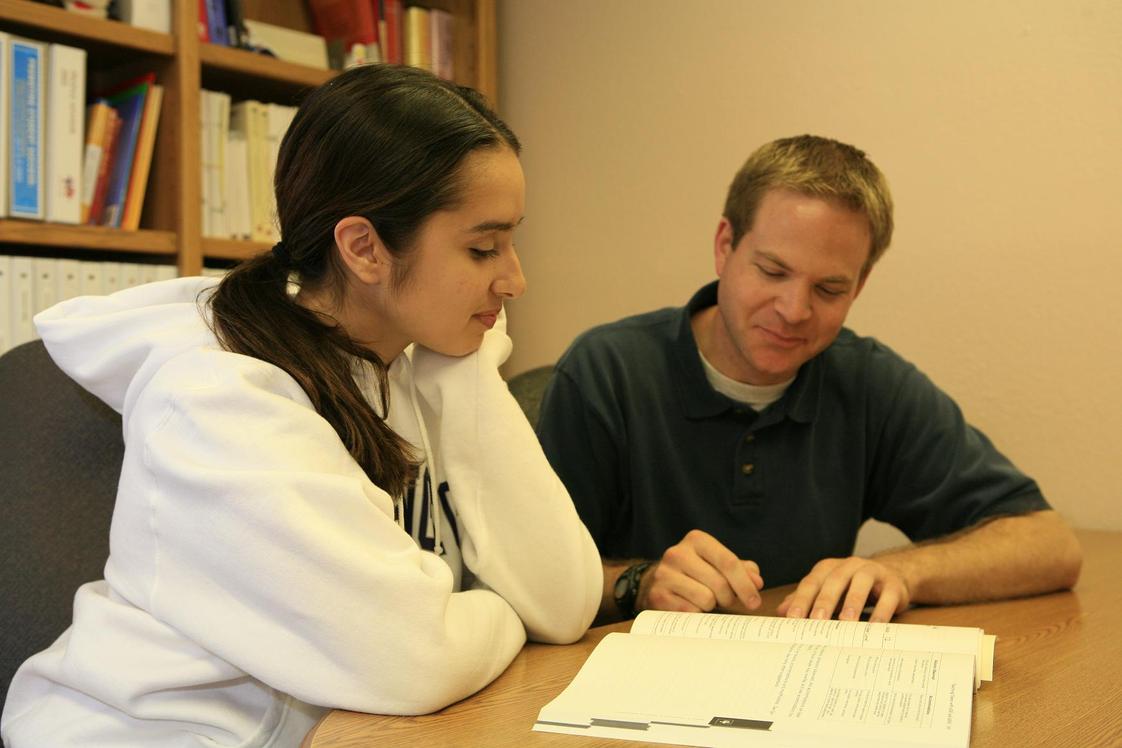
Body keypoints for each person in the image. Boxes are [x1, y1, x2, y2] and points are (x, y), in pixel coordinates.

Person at [1, 64, 601, 748]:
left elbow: (565, 601)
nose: (515, 278)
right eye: (483, 247)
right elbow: (412, 658)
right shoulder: (217, 400)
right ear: (363, 248)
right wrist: (500, 609)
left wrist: (463, 376)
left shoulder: (417, 366)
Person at [537, 134, 1081, 626]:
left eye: (828, 289)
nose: (794, 310)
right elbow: (534, 582)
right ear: (725, 246)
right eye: (772, 272)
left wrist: (903, 571)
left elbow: (1049, 544)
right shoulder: (606, 370)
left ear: (860, 285)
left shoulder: (869, 383)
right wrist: (641, 583)